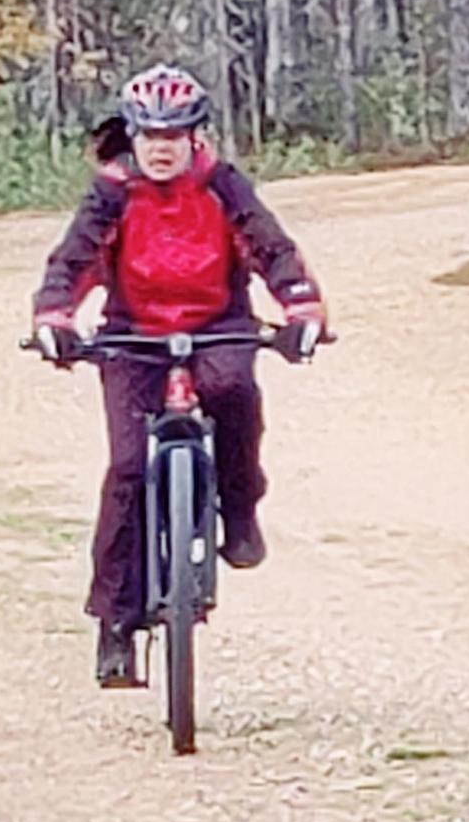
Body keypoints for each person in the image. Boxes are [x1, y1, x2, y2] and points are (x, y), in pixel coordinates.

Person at [29, 64, 328, 687]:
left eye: (175, 135)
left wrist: (300, 308)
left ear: (195, 135)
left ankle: (240, 510)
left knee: (233, 390)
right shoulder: (111, 192)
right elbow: (73, 261)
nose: (161, 148)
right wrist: (55, 318)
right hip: (131, 336)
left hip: (219, 324)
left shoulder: (222, 185)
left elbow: (271, 249)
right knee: (130, 469)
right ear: (132, 135)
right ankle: (115, 623)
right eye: (150, 135)